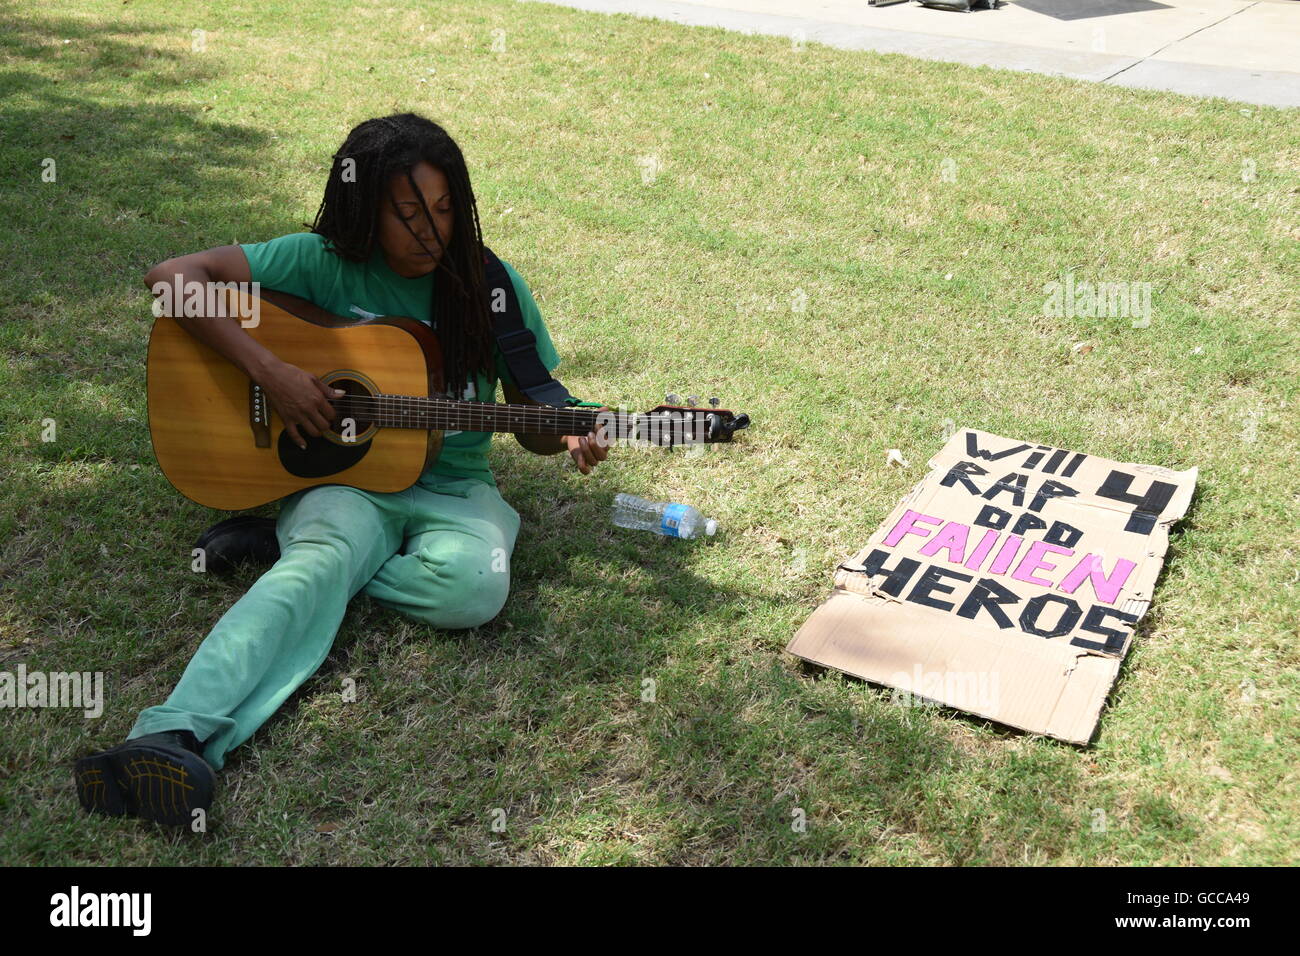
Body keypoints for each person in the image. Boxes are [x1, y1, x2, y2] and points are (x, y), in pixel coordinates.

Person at [75, 113, 610, 827]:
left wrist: (572, 432)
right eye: (409, 214)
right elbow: (172, 279)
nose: (432, 234)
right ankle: (172, 735)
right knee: (317, 566)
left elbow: (535, 416)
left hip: (454, 487)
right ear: (364, 210)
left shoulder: (490, 284)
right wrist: (275, 373)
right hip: (346, 482)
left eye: (446, 210)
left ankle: (278, 547)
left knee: (475, 588)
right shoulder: (321, 261)